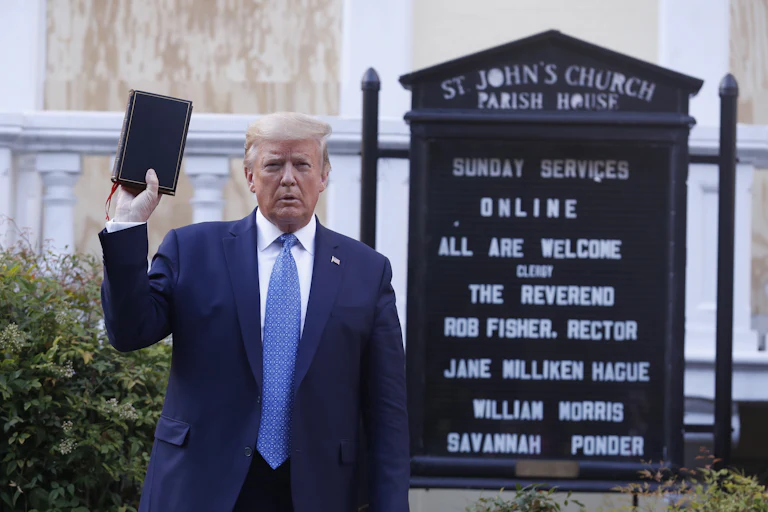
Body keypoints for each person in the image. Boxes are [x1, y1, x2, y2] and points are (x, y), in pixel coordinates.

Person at [98, 112, 410, 511]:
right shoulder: (192, 251)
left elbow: (388, 414)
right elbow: (129, 332)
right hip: (201, 487)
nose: (288, 179)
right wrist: (127, 223)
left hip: (319, 491)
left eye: (302, 165)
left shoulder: (367, 270)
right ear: (249, 177)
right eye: (273, 165)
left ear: (324, 176)